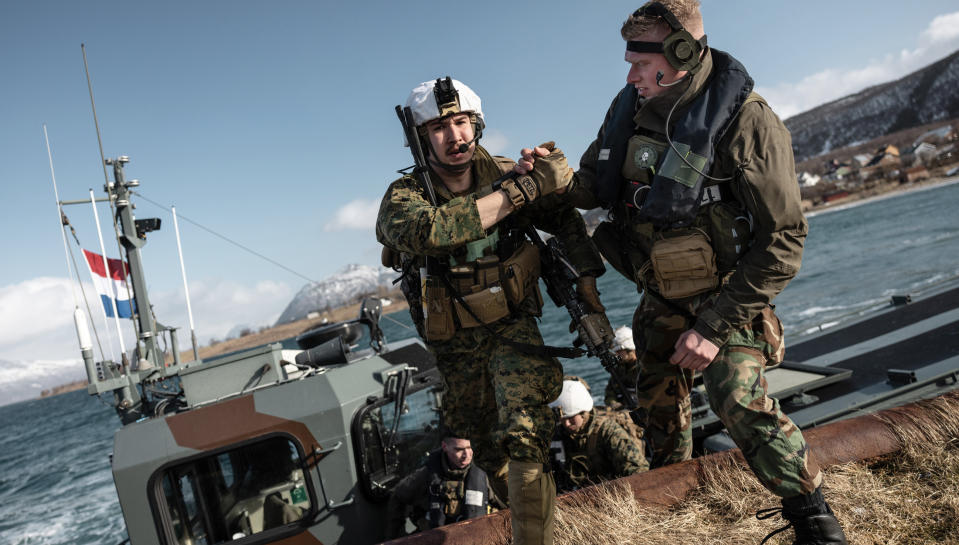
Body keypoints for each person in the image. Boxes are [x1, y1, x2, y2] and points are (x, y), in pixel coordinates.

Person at [516, 2, 847, 543]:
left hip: (728, 299)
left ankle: (812, 515)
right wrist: (547, 175)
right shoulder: (629, 112)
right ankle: (680, 510)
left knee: (735, 397)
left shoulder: (748, 121)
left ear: (680, 54)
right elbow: (592, 188)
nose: (628, 76)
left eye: (638, 63)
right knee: (656, 409)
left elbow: (784, 240)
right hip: (662, 298)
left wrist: (713, 328)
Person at [377, 77, 608, 545]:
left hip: (513, 327)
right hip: (456, 346)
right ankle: (536, 520)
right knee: (486, 446)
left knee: (525, 431)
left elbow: (564, 218)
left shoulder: (506, 171)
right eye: (440, 127)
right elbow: (432, 232)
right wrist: (518, 194)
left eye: (462, 122)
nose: (455, 136)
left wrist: (587, 286)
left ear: (476, 124)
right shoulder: (404, 197)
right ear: (421, 139)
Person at [385, 436, 504, 538]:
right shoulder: (426, 475)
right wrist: (396, 537)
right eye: (459, 449)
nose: (466, 455)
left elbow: (504, 506)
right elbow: (398, 495)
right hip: (437, 538)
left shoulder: (485, 473)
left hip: (477, 537)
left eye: (469, 448)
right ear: (445, 447)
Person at [549, 378, 648, 492]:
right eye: (563, 419)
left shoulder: (607, 431)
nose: (566, 423)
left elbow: (638, 471)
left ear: (584, 412)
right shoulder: (559, 433)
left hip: (612, 491)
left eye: (571, 418)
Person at [604, 326, 639, 409]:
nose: (617, 354)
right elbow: (610, 391)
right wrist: (613, 403)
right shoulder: (620, 368)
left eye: (619, 351)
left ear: (629, 348)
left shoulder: (645, 367)